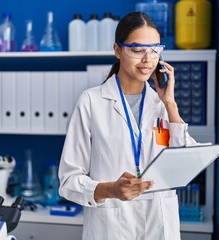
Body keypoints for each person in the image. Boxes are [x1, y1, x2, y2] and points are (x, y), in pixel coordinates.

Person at [58, 12, 197, 240]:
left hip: (159, 224)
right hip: (111, 226)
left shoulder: (160, 105)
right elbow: (68, 181)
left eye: (154, 50)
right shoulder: (91, 102)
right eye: (137, 49)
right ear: (117, 50)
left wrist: (170, 104)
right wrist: (110, 189)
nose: (147, 59)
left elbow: (184, 161)